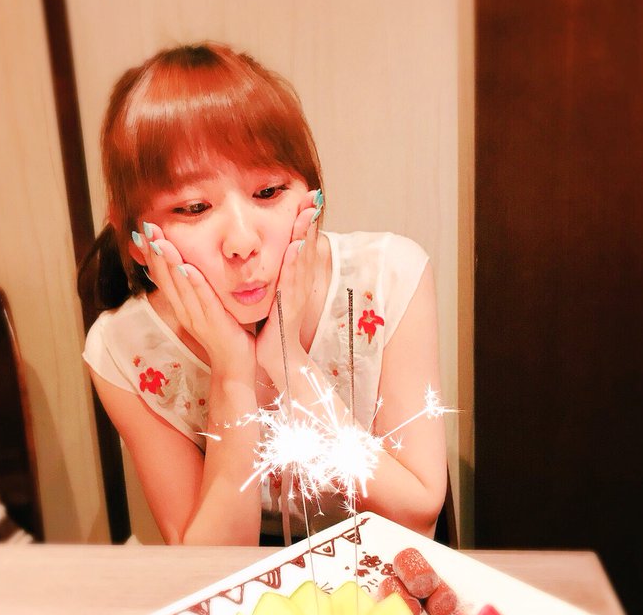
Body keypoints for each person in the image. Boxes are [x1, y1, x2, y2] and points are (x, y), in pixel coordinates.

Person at [79, 42, 447, 546]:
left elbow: (417, 517)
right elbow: (208, 564)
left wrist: (287, 361)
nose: (242, 242)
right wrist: (232, 375)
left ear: (309, 197)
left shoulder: (388, 278)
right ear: (138, 240)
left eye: (268, 192)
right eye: (193, 208)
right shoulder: (124, 350)